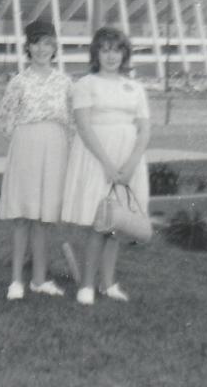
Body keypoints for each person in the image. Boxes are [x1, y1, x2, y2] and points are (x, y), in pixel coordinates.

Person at [61, 26, 151, 305]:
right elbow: (85, 127)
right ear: (96, 53)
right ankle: (87, 285)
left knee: (117, 224)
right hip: (96, 157)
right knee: (97, 223)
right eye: (105, 49)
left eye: (117, 50)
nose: (111, 56)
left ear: (124, 54)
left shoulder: (135, 87)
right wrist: (108, 165)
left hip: (129, 157)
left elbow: (145, 128)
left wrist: (133, 161)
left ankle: (108, 283)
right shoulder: (85, 84)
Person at [0, 20, 73, 301]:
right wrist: (26, 140)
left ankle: (39, 280)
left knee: (43, 218)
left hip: (55, 150)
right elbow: (5, 120)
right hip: (26, 148)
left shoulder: (65, 82)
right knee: (22, 216)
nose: (42, 49)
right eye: (36, 43)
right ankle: (16, 280)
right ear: (27, 47)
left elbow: (73, 123)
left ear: (54, 47)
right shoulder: (19, 81)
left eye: (47, 43)